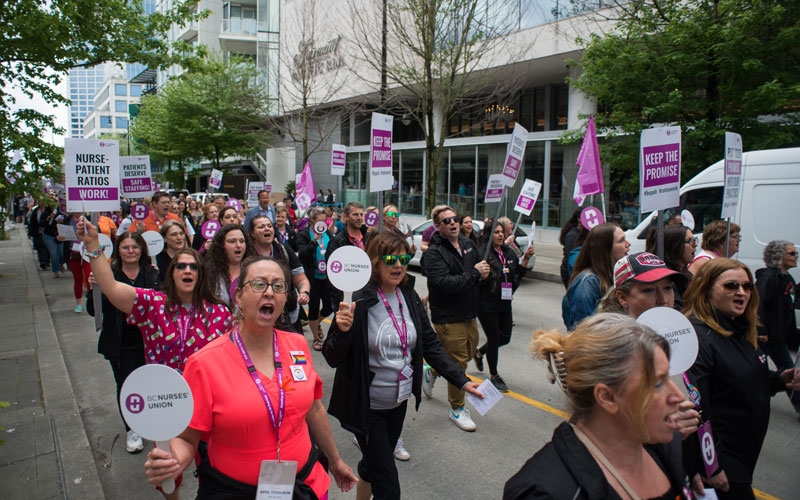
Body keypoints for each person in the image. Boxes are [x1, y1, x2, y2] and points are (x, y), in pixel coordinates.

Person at [144, 257, 358, 498]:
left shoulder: (297, 344)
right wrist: (171, 461)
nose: (269, 292)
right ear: (238, 297)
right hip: (233, 491)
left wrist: (336, 460)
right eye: (258, 284)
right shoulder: (204, 364)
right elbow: (187, 437)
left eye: (278, 286)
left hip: (305, 484)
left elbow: (314, 409)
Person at [324, 231, 484, 500]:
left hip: (398, 403)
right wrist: (341, 331)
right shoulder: (358, 300)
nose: (398, 264)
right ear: (375, 262)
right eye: (390, 258)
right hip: (368, 407)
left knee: (373, 465)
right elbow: (331, 357)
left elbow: (431, 345)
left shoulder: (408, 296)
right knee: (388, 485)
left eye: (404, 258)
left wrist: (463, 381)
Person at [504, 313, 697, 500]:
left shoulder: (665, 448)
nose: (678, 396)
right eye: (657, 384)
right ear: (607, 397)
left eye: (668, 377)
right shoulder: (544, 491)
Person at [682, 258, 800, 498]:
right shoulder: (698, 337)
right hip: (724, 460)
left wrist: (779, 379)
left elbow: (739, 378)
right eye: (731, 286)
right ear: (706, 289)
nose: (742, 292)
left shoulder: (740, 327)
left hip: (745, 455)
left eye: (747, 286)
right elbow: (698, 406)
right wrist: (711, 465)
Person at [75, 217, 233, 373]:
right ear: (171, 273)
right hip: (162, 393)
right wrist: (92, 244)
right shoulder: (154, 304)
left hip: (202, 392)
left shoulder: (220, 313)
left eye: (194, 267)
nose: (187, 270)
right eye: (181, 266)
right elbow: (111, 287)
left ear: (202, 274)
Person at [86, 231, 160, 454]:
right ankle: (132, 429)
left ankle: (151, 421)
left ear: (142, 250)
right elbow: (93, 311)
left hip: (150, 342)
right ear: (118, 250)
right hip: (121, 342)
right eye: (126, 247)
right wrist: (94, 290)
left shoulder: (153, 274)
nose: (131, 251)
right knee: (127, 386)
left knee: (151, 385)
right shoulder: (108, 274)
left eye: (135, 247)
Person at [422, 205, 490, 431]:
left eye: (455, 219)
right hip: (448, 317)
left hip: (470, 312)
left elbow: (479, 272)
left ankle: (432, 372)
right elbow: (445, 284)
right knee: (459, 362)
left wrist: (485, 273)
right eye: (447, 220)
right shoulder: (433, 253)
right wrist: (474, 275)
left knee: (467, 354)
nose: (453, 223)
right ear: (438, 226)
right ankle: (457, 408)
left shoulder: (469, 244)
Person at [473, 223, 534, 392]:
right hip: (487, 304)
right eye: (496, 232)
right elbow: (476, 279)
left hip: (505, 302)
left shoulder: (509, 252)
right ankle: (494, 376)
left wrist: (526, 260)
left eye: (502, 232)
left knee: (504, 338)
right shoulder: (483, 254)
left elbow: (516, 276)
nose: (500, 235)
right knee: (494, 339)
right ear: (489, 234)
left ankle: (479, 353)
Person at [755, 240, 800, 416]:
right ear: (778, 256)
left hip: (778, 336)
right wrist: (760, 330)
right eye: (792, 253)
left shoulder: (788, 278)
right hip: (767, 336)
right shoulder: (768, 278)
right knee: (791, 372)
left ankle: (756, 396)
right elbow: (759, 305)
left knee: (759, 371)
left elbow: (789, 303)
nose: (796, 256)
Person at [248, 215, 311, 331]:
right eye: (261, 227)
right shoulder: (246, 255)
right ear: (252, 233)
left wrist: (304, 292)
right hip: (257, 316)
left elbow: (301, 280)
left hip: (288, 315)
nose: (267, 229)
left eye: (269, 226)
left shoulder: (284, 250)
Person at [563, 223, 630, 330]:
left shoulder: (614, 275)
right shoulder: (587, 282)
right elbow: (584, 330)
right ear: (605, 248)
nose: (628, 244)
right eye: (621, 240)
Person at [599, 252, 689, 318]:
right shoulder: (609, 341)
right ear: (623, 298)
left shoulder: (682, 330)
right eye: (649, 290)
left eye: (668, 288)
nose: (663, 300)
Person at [297, 206, 335, 350]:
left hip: (327, 277)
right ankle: (315, 338)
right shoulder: (304, 234)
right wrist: (314, 242)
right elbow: (302, 253)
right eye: (320, 221)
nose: (322, 224)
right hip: (312, 277)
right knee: (313, 308)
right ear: (312, 220)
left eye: (324, 221)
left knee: (329, 307)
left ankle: (316, 322)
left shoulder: (329, 235)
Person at [326, 202, 367, 307]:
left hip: (367, 294)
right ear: (346, 217)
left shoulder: (369, 238)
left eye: (361, 215)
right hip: (345, 297)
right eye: (355, 214)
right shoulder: (338, 241)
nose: (359, 218)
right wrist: (340, 297)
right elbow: (332, 271)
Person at [205, 224, 256, 308]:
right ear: (221, 245)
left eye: (242, 241)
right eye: (232, 241)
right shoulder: (211, 273)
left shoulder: (254, 271)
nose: (238, 245)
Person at [646, 224, 696, 308]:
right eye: (689, 241)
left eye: (694, 240)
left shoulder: (686, 272)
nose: (695, 244)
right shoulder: (667, 278)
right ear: (675, 245)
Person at [40, 200, 67, 278]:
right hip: (49, 236)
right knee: (54, 253)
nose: (53, 206)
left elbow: (66, 222)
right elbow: (41, 224)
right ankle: (56, 270)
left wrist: (61, 222)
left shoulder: (61, 213)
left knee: (61, 253)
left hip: (59, 235)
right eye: (51, 205)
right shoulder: (45, 214)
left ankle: (61, 263)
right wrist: (48, 218)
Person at [558, 208, 582, 288]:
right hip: (570, 272)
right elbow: (570, 257)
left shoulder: (583, 233)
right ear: (579, 219)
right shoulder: (572, 236)